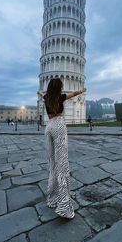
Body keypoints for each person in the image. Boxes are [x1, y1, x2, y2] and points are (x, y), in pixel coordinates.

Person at [37, 78, 86, 219]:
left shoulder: (46, 97)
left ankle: (52, 198)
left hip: (48, 127)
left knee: (52, 163)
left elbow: (41, 95)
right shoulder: (61, 97)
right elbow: (74, 94)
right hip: (58, 126)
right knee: (62, 164)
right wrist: (81, 90)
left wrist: (39, 93)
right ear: (59, 88)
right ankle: (64, 206)